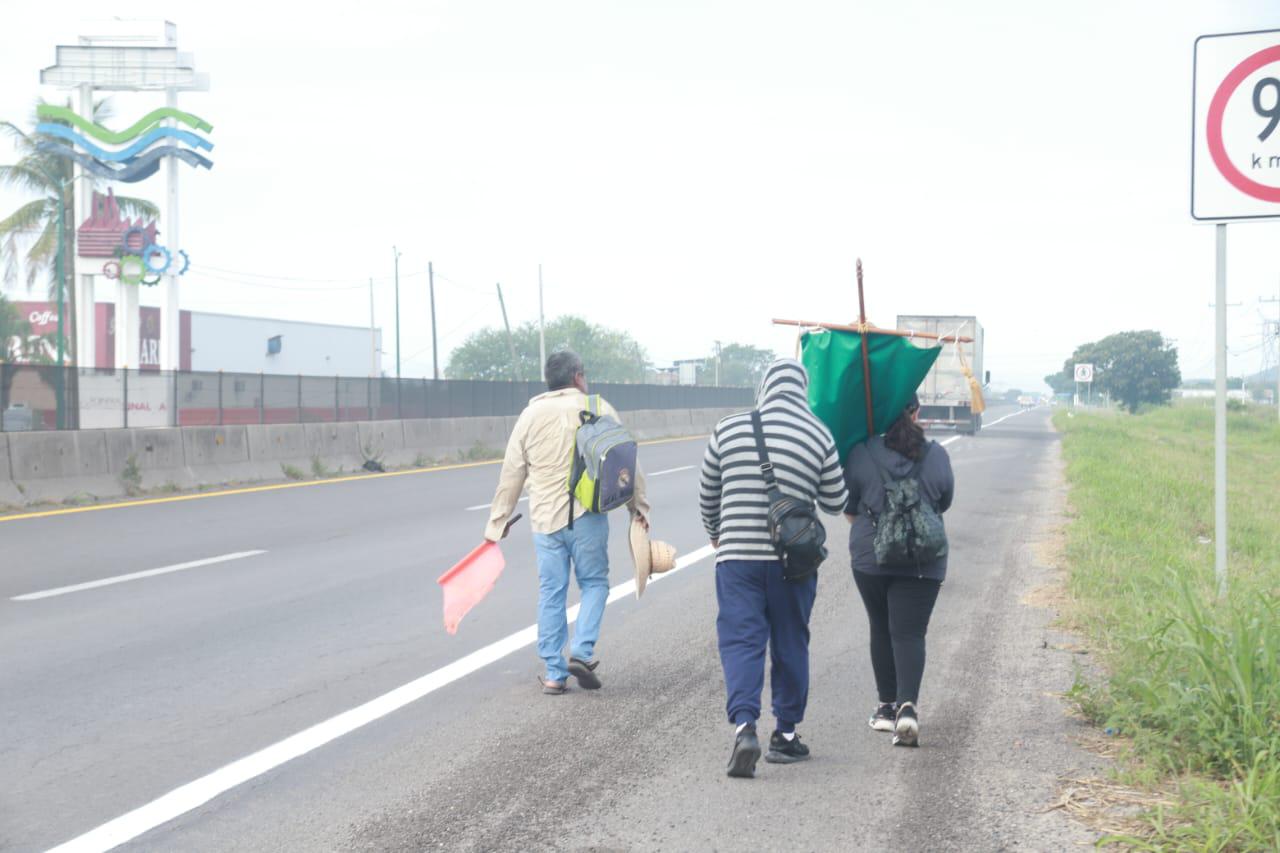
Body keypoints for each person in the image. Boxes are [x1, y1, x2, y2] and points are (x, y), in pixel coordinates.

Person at [699, 358, 848, 778]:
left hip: (738, 559)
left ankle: (745, 727)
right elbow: (837, 502)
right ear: (802, 390)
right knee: (790, 642)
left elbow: (708, 492)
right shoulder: (819, 433)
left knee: (742, 642)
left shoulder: (728, 428)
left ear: (764, 388)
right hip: (793, 562)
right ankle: (784, 735)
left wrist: (716, 533)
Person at [484, 350, 650, 695]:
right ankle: (582, 650)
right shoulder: (598, 407)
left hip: (546, 522)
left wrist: (497, 523)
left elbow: (512, 472)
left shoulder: (530, 415)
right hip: (588, 517)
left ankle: (555, 674)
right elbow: (626, 461)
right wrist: (639, 508)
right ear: (578, 376)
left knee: (551, 592)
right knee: (594, 583)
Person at [843, 393, 954, 746]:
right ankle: (908, 708)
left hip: (870, 558)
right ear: (917, 412)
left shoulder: (861, 452)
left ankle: (886, 709)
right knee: (909, 633)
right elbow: (944, 501)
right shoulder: (936, 454)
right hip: (924, 559)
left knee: (880, 627)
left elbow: (849, 507)